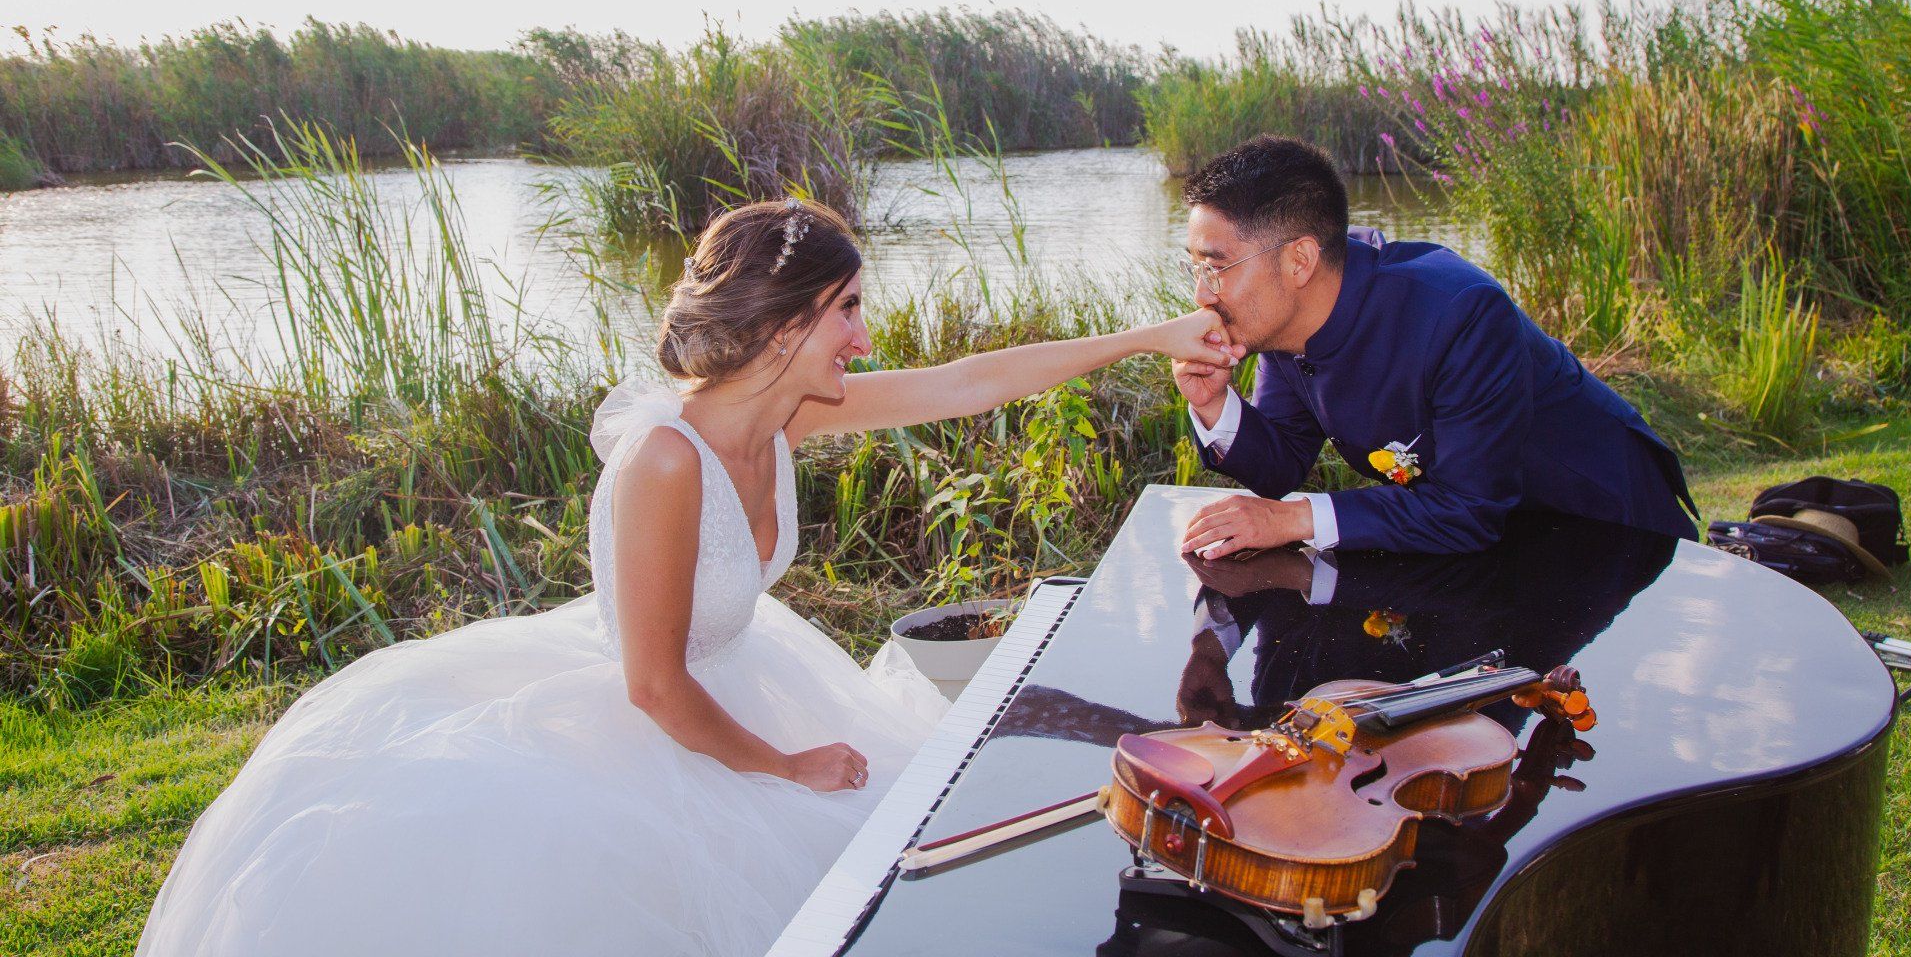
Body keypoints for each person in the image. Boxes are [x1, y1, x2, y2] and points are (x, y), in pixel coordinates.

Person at [135, 197, 1231, 957]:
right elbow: (654, 685)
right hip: (665, 713)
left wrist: (1145, 337)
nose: (862, 333)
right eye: (846, 308)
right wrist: (785, 763)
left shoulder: (799, 404)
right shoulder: (665, 457)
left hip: (745, 673)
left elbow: (970, 382)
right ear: (786, 321)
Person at [1173, 136, 1698, 562]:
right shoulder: (1286, 320)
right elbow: (1284, 461)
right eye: (1196, 268)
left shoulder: (1461, 314)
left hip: (1603, 522)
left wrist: (1293, 518)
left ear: (1299, 261)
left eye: (1215, 268)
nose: (1202, 295)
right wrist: (1213, 404)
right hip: (1488, 540)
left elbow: (1469, 508)